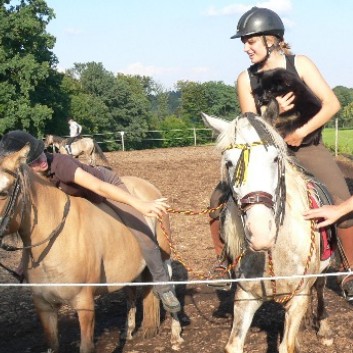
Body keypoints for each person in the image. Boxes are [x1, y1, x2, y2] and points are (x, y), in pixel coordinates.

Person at [208, 6, 353, 300]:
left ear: (272, 39)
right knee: (217, 199)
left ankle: (349, 270)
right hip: (268, 153)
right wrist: (269, 113)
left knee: (340, 200)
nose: (245, 48)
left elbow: (331, 104)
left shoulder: (300, 64)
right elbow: (252, 126)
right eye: (244, 42)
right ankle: (225, 264)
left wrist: (301, 132)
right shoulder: (244, 80)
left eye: (250, 41)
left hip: (308, 148)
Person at [0, 130, 181, 313]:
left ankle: (163, 286)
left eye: (41, 152)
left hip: (103, 189)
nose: (42, 160)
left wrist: (139, 204)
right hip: (80, 201)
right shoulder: (33, 183)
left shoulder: (61, 164)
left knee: (142, 232)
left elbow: (98, 186)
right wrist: (25, 262)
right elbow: (35, 228)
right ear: (22, 169)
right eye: (35, 161)